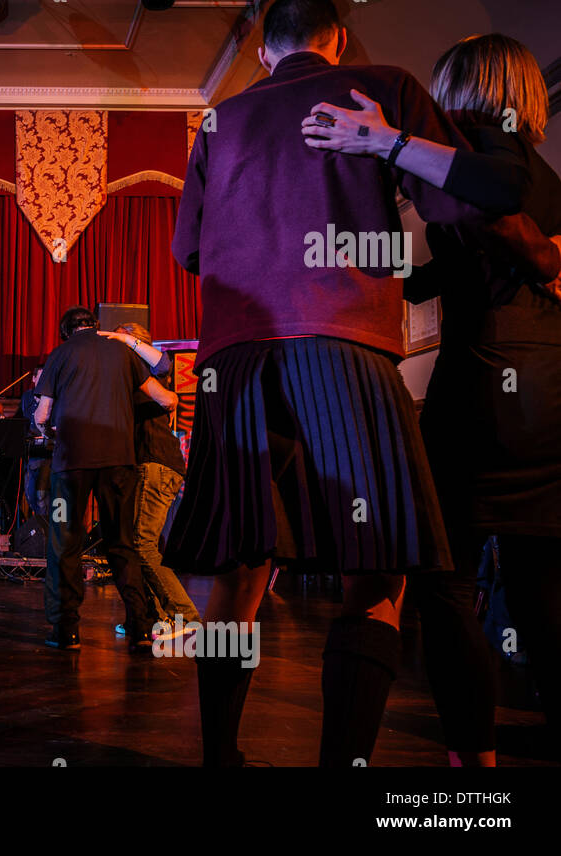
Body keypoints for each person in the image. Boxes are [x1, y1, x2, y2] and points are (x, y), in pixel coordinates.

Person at [167, 0, 486, 767]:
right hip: (343, 339)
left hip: (237, 359)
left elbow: (188, 252)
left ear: (261, 47)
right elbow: (462, 203)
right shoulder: (382, 83)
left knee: (240, 570)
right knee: (374, 571)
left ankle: (220, 757)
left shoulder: (219, 117)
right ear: (337, 38)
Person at [302, 33, 561, 763]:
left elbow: (492, 203)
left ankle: (472, 756)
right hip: (549, 394)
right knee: (541, 591)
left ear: (464, 88)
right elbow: (449, 270)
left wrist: (384, 142)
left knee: (444, 581)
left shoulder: (484, 145)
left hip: (484, 384)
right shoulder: (543, 172)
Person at [32, 307, 178, 650]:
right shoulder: (122, 351)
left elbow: (42, 413)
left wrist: (44, 427)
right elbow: (164, 397)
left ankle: (65, 630)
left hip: (72, 464)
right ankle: (141, 626)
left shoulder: (60, 354)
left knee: (64, 543)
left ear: (66, 331)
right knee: (122, 542)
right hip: (119, 461)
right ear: (96, 327)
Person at [101, 324, 200, 633]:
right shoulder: (128, 380)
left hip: (157, 464)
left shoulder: (151, 371)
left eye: (122, 342)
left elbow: (164, 364)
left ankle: (186, 616)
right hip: (148, 466)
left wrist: (124, 339)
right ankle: (154, 617)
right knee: (140, 543)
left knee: (142, 544)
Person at [19, 364, 51, 523]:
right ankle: (40, 527)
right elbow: (22, 421)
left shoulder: (53, 397)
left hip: (46, 452)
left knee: (41, 494)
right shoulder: (27, 397)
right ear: (33, 378)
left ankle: (46, 529)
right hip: (30, 452)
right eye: (41, 377)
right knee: (30, 493)